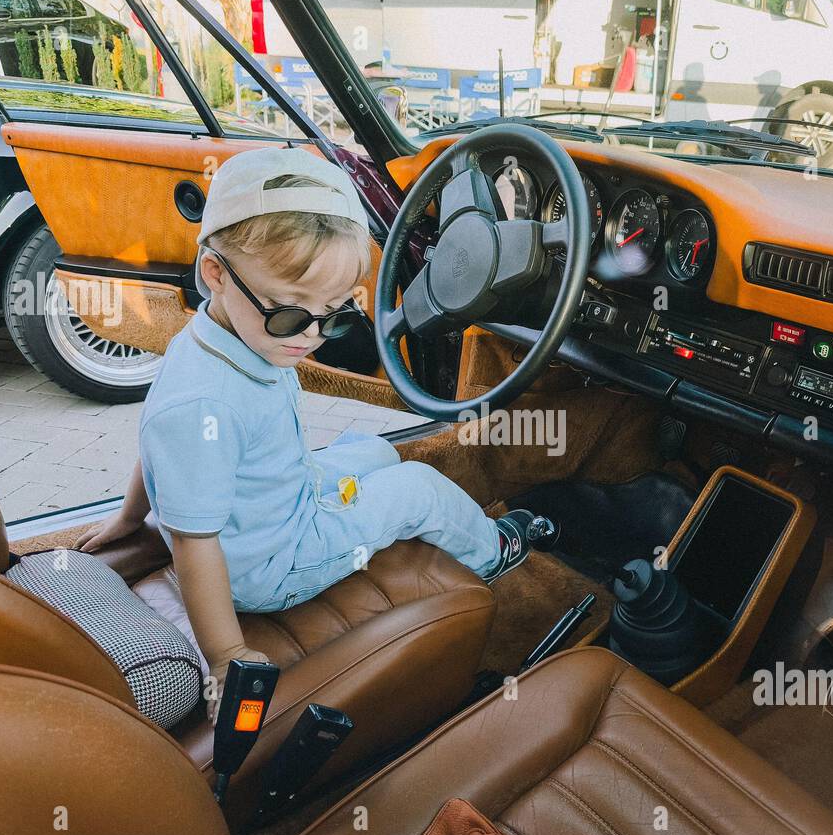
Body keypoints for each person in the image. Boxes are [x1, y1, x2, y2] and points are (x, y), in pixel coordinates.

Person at [77, 147, 534, 671]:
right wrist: (227, 656)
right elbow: (193, 542)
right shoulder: (204, 403)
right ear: (217, 273)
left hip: (281, 500)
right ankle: (494, 552)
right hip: (271, 567)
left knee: (374, 452)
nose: (312, 336)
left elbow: (160, 454)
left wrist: (129, 517)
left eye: (334, 313)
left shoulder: (212, 337)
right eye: (291, 315)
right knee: (418, 488)